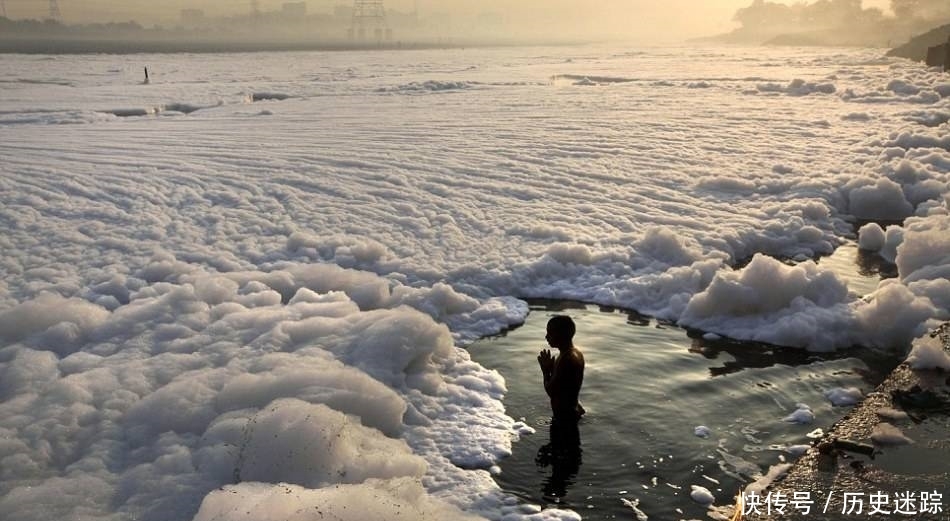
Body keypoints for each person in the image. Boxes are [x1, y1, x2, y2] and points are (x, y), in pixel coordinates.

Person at [537, 315, 585, 422]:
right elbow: (565, 387)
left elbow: (552, 392)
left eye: (550, 333)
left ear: (560, 334)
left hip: (566, 418)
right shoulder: (576, 353)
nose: (546, 337)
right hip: (572, 411)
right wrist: (552, 370)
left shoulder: (566, 359)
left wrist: (545, 372)